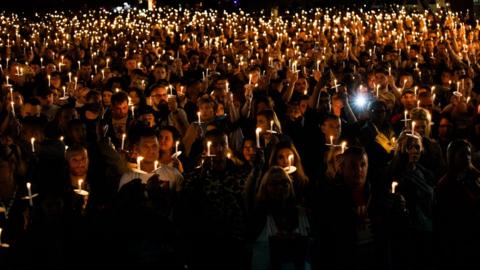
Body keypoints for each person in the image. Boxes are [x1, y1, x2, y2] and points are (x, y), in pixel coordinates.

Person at [250, 166, 311, 270]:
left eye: (284, 182)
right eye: (274, 184)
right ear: (265, 187)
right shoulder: (260, 216)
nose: (280, 187)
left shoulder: (302, 213)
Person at [434, 140, 480, 269]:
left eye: (469, 154)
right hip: (456, 241)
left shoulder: (471, 178)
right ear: (452, 157)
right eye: (462, 154)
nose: (467, 158)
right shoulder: (445, 185)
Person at [118, 126, 183, 193]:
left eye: (154, 146)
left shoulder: (174, 174)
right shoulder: (128, 177)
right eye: (146, 146)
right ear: (136, 149)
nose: (151, 150)